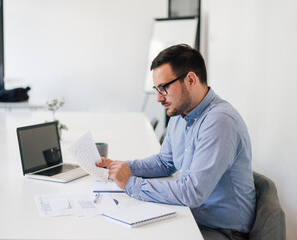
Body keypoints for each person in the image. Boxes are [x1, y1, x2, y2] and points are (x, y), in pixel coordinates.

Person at [96, 44, 256, 240]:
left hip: (221, 231)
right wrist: (120, 167)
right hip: (192, 216)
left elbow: (192, 193)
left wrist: (130, 183)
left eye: (163, 88)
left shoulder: (219, 121)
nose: (158, 98)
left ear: (190, 80)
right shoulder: (180, 114)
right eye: (156, 89)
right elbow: (165, 162)